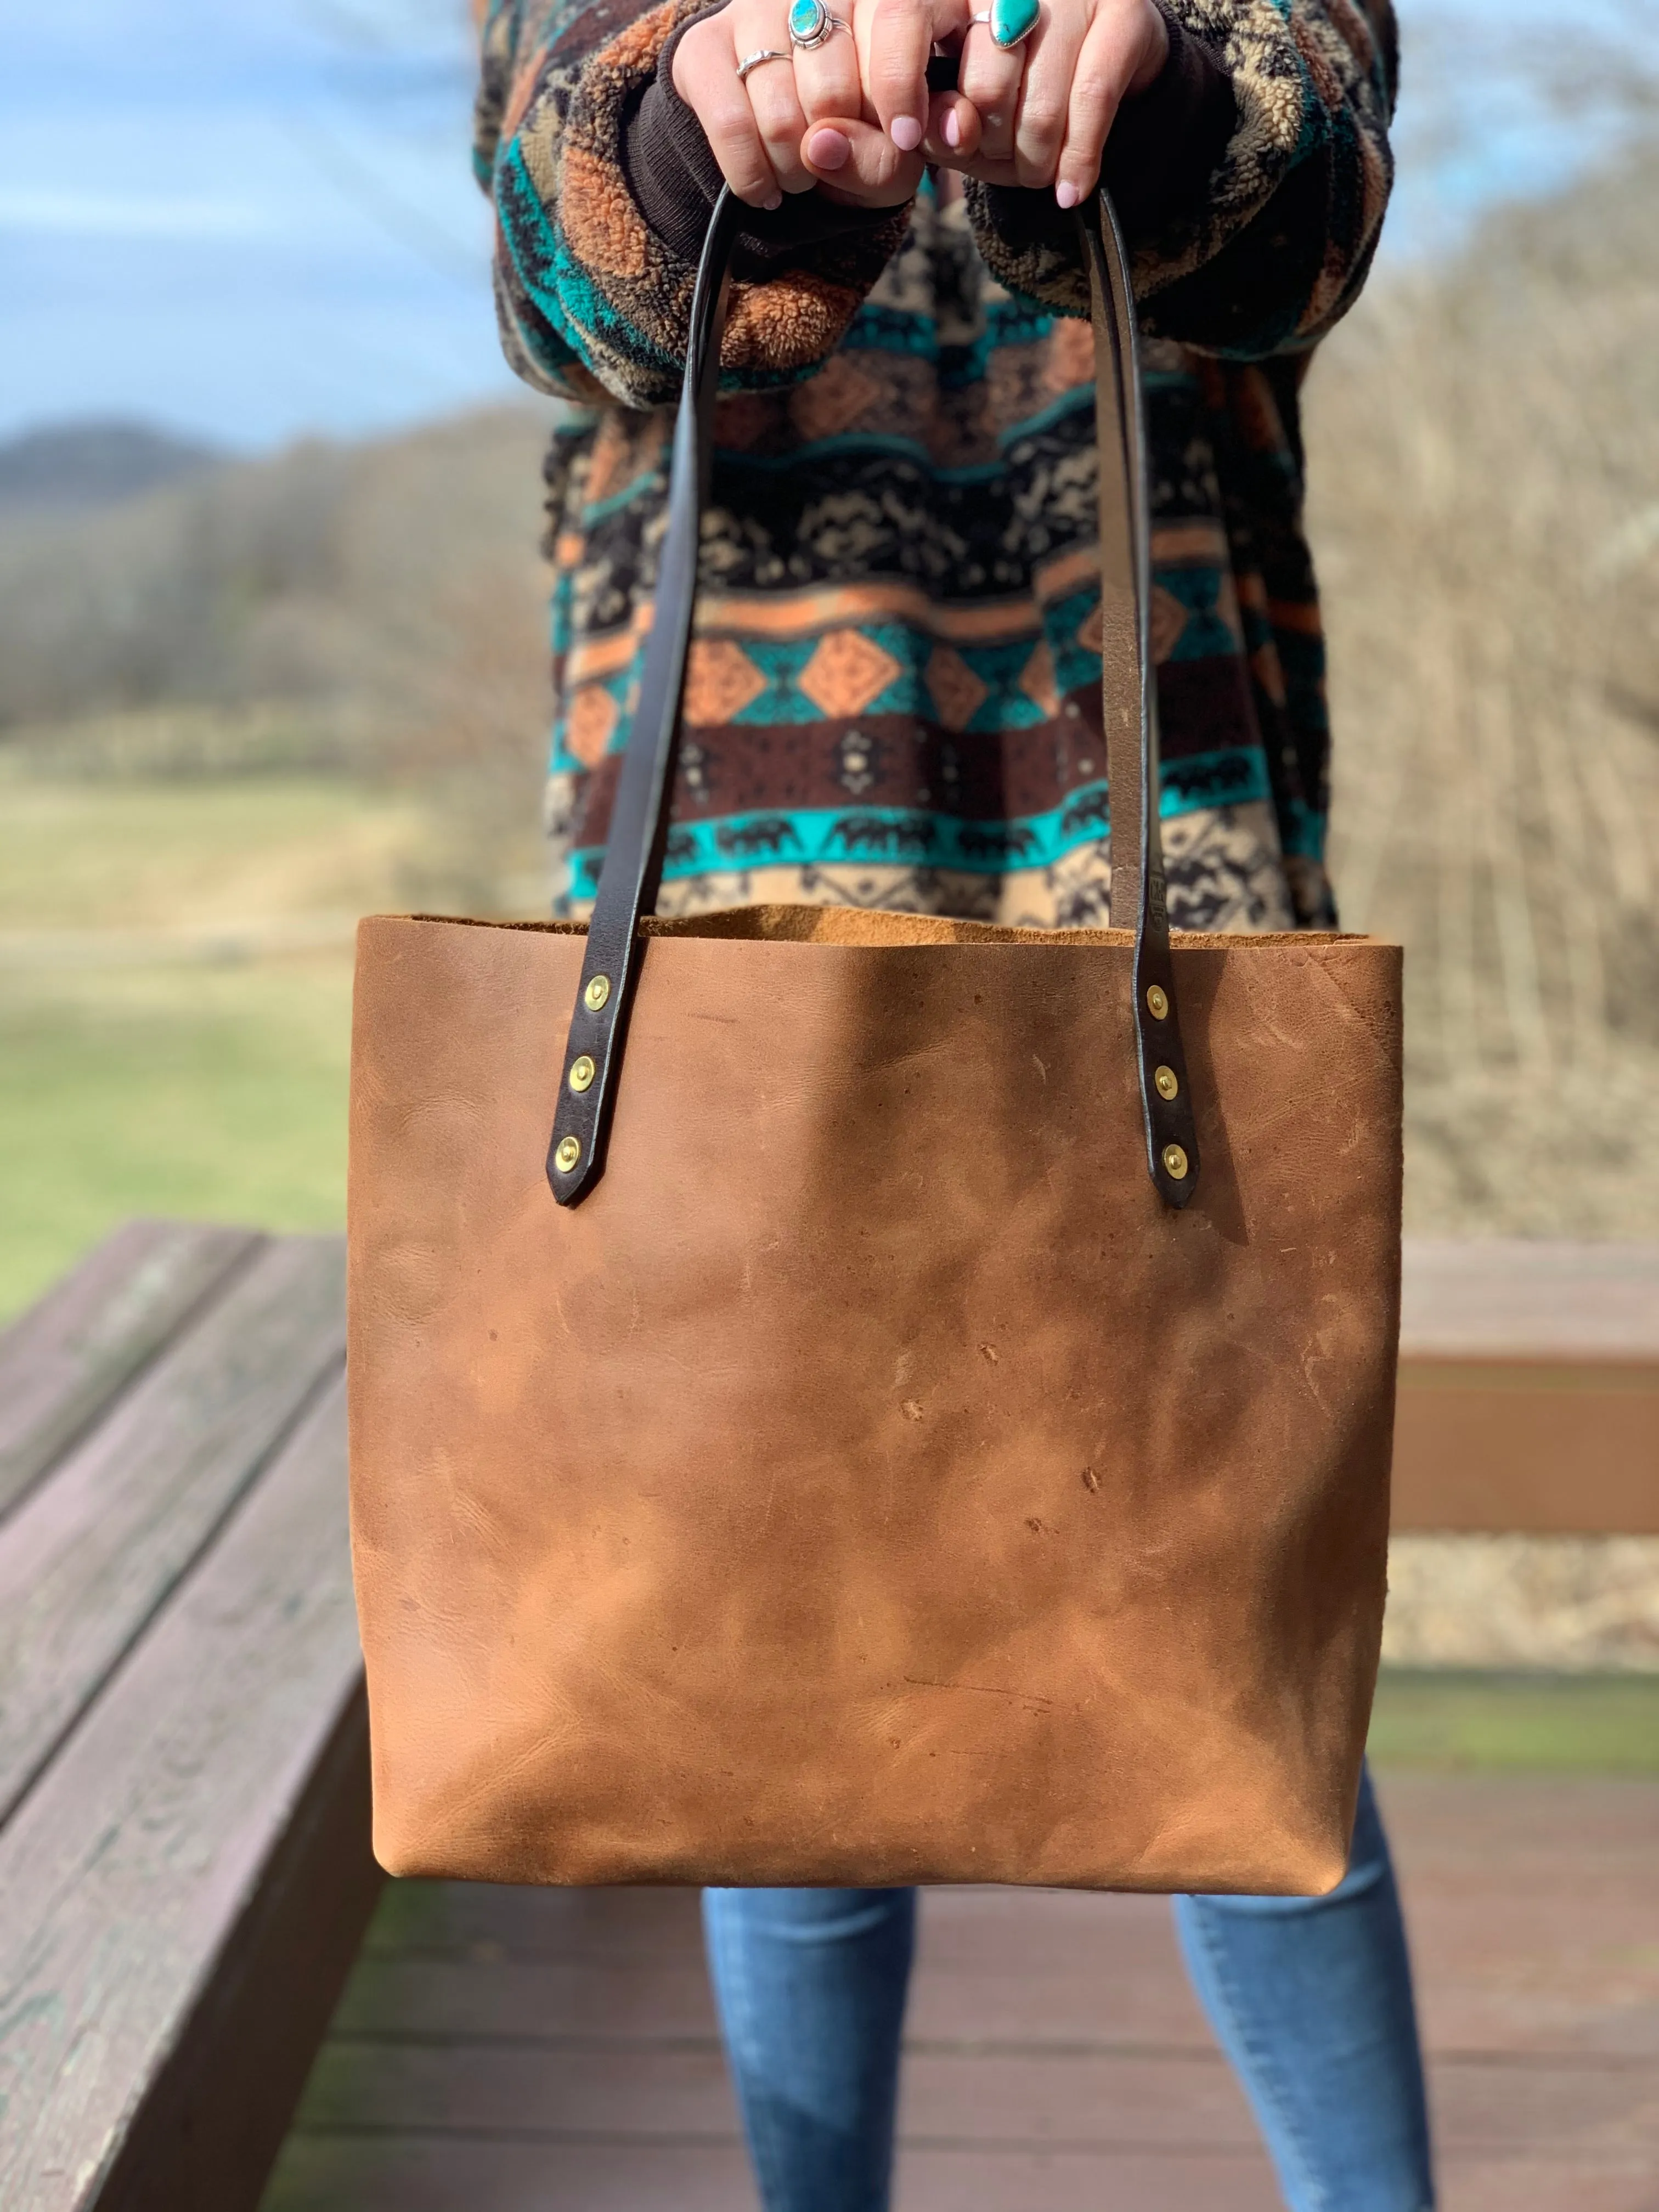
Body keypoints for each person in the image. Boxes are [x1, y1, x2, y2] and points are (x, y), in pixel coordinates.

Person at [471, 0, 1434, 2203]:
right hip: (725, 874)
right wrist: (699, 130)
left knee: (1229, 1606)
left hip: (1153, 829)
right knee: (778, 1645)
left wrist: (1147, 89)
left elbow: (1320, 195)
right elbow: (548, 267)